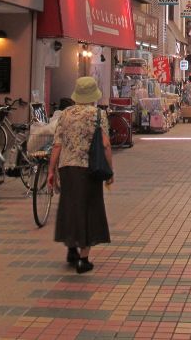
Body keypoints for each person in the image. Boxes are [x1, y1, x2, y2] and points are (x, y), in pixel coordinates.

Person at [47, 77, 112, 274]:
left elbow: (57, 145)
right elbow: (106, 145)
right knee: (89, 210)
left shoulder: (65, 114)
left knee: (70, 207)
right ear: (93, 96)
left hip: (67, 168)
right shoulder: (98, 115)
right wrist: (110, 170)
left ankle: (71, 249)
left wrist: (51, 170)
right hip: (89, 169)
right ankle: (84, 259)